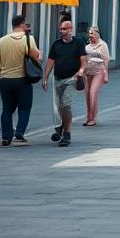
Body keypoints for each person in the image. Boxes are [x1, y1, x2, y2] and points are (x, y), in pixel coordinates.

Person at [0, 15, 42, 146]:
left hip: (5, 80)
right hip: (22, 80)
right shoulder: (28, 39)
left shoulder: (2, 40)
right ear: (22, 25)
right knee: (24, 107)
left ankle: (6, 136)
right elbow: (36, 56)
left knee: (7, 109)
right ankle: (19, 133)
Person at [42, 16, 87, 147]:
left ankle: (66, 134)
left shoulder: (78, 43)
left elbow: (84, 60)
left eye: (64, 29)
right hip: (57, 79)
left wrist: (81, 70)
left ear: (70, 30)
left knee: (66, 105)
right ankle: (59, 128)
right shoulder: (56, 44)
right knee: (57, 107)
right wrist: (45, 78)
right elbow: (50, 61)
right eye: (60, 29)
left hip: (71, 79)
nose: (61, 31)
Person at [82, 27, 111, 127]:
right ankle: (89, 117)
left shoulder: (103, 45)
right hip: (87, 73)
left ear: (97, 34)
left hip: (99, 72)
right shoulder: (87, 46)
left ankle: (93, 118)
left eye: (92, 33)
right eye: (89, 33)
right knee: (87, 96)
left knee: (93, 93)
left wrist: (106, 75)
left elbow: (106, 61)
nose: (90, 36)